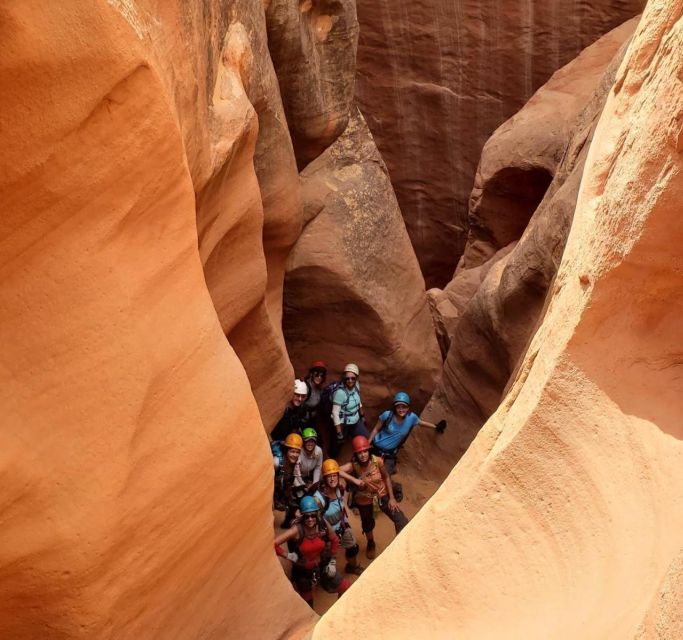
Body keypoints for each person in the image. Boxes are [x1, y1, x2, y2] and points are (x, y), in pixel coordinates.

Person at [339, 435, 409, 560]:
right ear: (356, 454)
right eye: (359, 453)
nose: (363, 455)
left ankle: (399, 546)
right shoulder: (354, 466)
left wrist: (392, 498)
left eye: (365, 451)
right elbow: (335, 470)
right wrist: (353, 479)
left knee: (401, 520)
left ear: (369, 450)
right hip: (364, 499)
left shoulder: (378, 461)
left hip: (381, 495)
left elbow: (386, 477)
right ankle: (371, 543)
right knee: (367, 523)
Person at [274, 496, 350, 608]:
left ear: (317, 514)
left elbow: (334, 539)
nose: (310, 519)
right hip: (303, 570)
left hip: (322, 564)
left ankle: (338, 611)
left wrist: (332, 561)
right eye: (307, 516)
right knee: (308, 603)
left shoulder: (322, 525)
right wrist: (290, 556)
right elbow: (274, 544)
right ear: (302, 516)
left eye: (313, 515)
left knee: (346, 587)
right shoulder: (297, 530)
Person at [368, 391, 447, 475]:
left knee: (384, 475)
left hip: (389, 454)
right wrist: (367, 443)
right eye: (398, 407)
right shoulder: (387, 415)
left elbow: (421, 423)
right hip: (376, 448)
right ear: (395, 407)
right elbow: (376, 429)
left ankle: (391, 473)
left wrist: (436, 426)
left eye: (404, 407)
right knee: (370, 473)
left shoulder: (411, 418)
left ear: (408, 407)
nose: (401, 410)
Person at [313, 459, 365, 576]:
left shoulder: (340, 489)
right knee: (326, 559)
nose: (332, 479)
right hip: (326, 533)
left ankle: (352, 567)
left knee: (353, 548)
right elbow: (314, 520)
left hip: (341, 525)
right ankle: (323, 576)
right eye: (329, 476)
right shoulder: (318, 499)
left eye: (334, 475)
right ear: (324, 478)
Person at [331, 363, 369, 452]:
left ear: (356, 378)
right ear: (344, 378)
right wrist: (339, 432)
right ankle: (332, 457)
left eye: (353, 378)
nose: (350, 380)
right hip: (343, 423)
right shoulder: (340, 393)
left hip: (355, 420)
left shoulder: (356, 386)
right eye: (347, 378)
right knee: (337, 445)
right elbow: (335, 413)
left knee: (366, 437)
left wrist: (362, 416)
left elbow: (358, 401)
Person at [273, 433, 306, 528]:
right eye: (292, 451)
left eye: (297, 452)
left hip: (280, 489)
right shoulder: (276, 462)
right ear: (286, 451)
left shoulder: (293, 463)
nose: (295, 455)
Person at [301, 360, 327, 428]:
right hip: (302, 421)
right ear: (311, 374)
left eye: (321, 376)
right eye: (316, 375)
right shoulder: (305, 387)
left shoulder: (319, 389)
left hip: (312, 420)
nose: (319, 377)